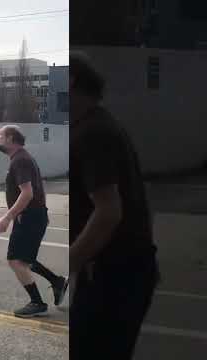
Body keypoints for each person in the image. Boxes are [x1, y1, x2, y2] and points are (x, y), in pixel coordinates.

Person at [69, 52, 159, 360]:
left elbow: (109, 211)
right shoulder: (100, 125)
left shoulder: (92, 133)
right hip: (119, 270)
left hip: (116, 275)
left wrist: (69, 262)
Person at [0, 125, 67, 318]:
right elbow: (30, 192)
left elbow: (27, 193)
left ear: (10, 139)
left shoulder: (21, 160)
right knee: (26, 258)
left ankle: (37, 303)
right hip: (31, 216)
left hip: (30, 217)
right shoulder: (21, 158)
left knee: (15, 260)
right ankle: (58, 282)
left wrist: (7, 217)